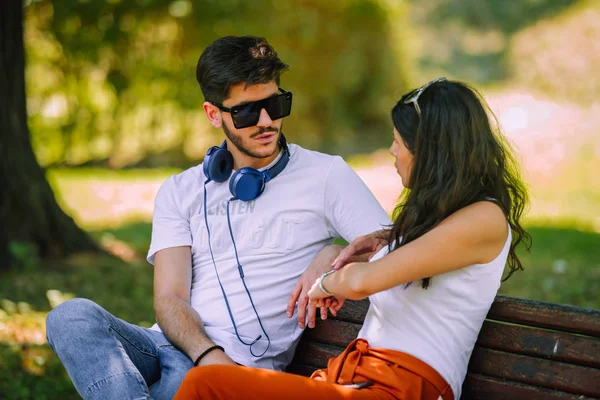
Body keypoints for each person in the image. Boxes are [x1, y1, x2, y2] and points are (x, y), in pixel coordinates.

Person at [44, 36, 390, 400]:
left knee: (178, 387)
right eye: (246, 111)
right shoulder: (181, 190)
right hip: (171, 346)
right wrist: (207, 355)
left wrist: (329, 256)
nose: (267, 120)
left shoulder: (325, 175)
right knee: (70, 317)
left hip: (240, 371)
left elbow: (393, 243)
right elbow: (169, 298)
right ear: (213, 114)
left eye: (276, 103)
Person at [172, 77, 531, 400]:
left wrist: (325, 285)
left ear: (432, 151)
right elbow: (389, 266)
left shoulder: (485, 218)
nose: (393, 151)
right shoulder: (442, 221)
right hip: (356, 380)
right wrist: (337, 251)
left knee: (207, 385)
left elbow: (361, 282)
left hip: (400, 389)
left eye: (398, 141)